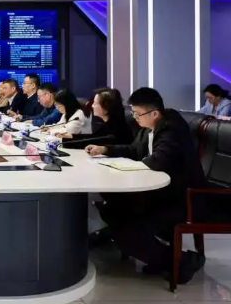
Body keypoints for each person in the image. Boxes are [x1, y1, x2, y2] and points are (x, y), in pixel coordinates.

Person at [85, 87, 207, 283]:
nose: (134, 118)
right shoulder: (149, 128)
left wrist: (131, 166)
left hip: (182, 199)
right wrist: (105, 149)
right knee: (113, 212)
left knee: (124, 225)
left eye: (137, 113)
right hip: (161, 194)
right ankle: (171, 259)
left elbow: (158, 161)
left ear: (154, 113)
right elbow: (135, 150)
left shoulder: (171, 129)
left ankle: (179, 262)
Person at [57, 88, 133, 148]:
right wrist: (71, 136)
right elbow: (94, 137)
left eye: (95, 103)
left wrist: (66, 142)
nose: (92, 106)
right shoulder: (109, 123)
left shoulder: (118, 128)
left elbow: (95, 142)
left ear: (106, 107)